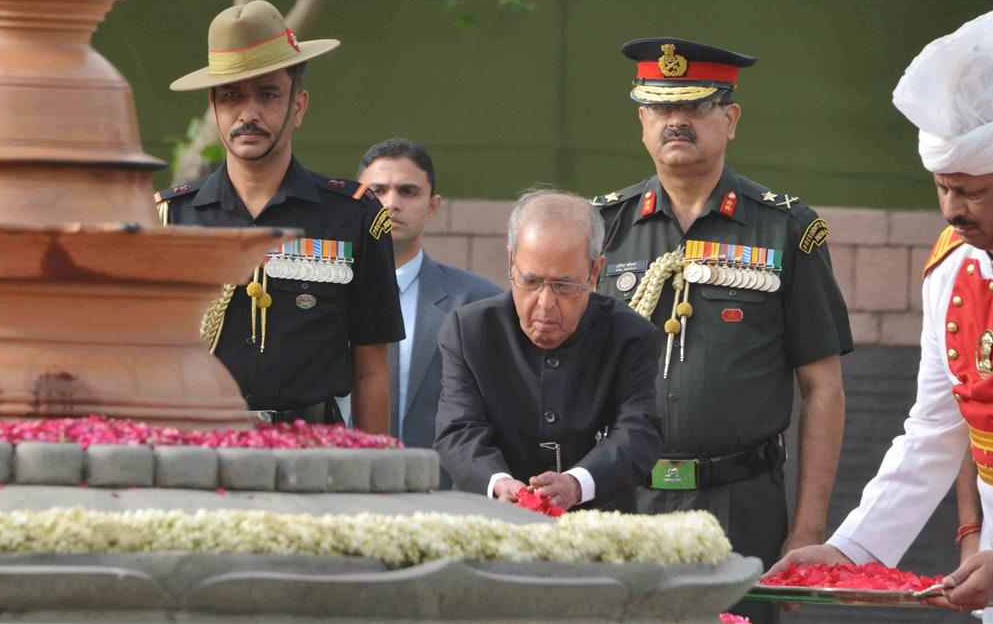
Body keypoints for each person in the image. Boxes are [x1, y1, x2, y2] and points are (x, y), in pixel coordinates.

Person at [773, 0, 993, 622]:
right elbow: (933, 431)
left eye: (972, 191)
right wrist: (851, 548)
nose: (952, 209)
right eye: (942, 187)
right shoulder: (950, 264)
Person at [591, 38, 852, 623]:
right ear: (641, 122)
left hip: (741, 505)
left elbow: (824, 388)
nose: (676, 120)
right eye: (660, 107)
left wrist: (807, 526)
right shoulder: (602, 228)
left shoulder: (786, 229)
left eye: (695, 105)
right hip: (622, 501)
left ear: (729, 119)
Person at [157, 0, 404, 433]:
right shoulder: (169, 218)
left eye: (268, 94)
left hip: (314, 451)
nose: (248, 114)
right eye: (232, 96)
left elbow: (371, 369)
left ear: (298, 106)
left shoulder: (355, 216)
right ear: (213, 109)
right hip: (197, 449)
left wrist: (372, 480)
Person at [434, 189, 663, 511]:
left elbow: (638, 432)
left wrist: (576, 484)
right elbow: (458, 429)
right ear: (512, 260)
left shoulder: (630, 336)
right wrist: (499, 484)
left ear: (595, 273)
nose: (545, 304)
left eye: (564, 286)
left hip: (596, 529)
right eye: (531, 281)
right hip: (489, 520)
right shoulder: (470, 331)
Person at [357, 138, 501, 464]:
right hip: (341, 490)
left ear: (433, 206)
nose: (391, 203)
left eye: (408, 191)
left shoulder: (479, 303)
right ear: (356, 200)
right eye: (377, 191)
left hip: (443, 494)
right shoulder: (325, 297)